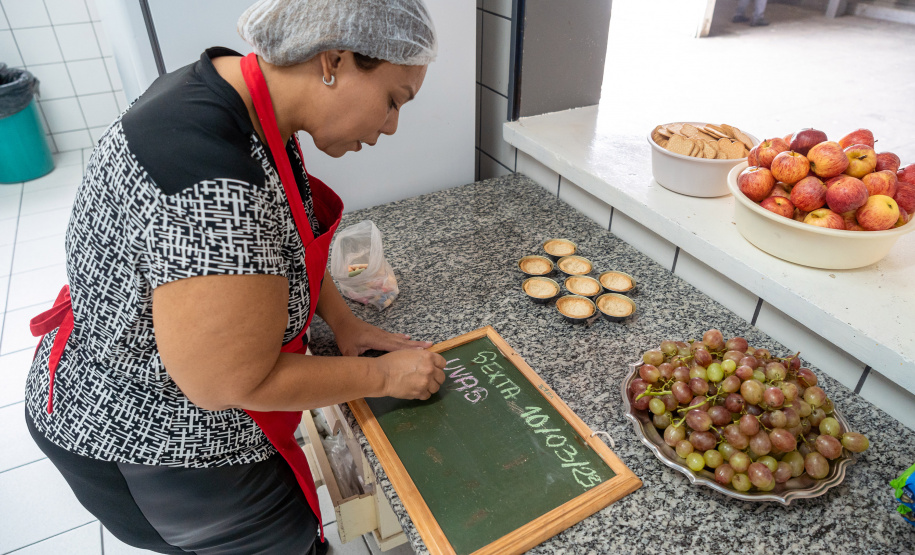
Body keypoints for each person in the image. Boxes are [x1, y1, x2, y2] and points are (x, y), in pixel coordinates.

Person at [24, 0, 446, 553]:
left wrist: (344, 323)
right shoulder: (211, 175)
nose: (390, 126)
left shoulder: (236, 96)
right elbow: (231, 384)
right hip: (152, 446)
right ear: (334, 61)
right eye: (393, 101)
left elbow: (287, 236)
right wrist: (386, 378)